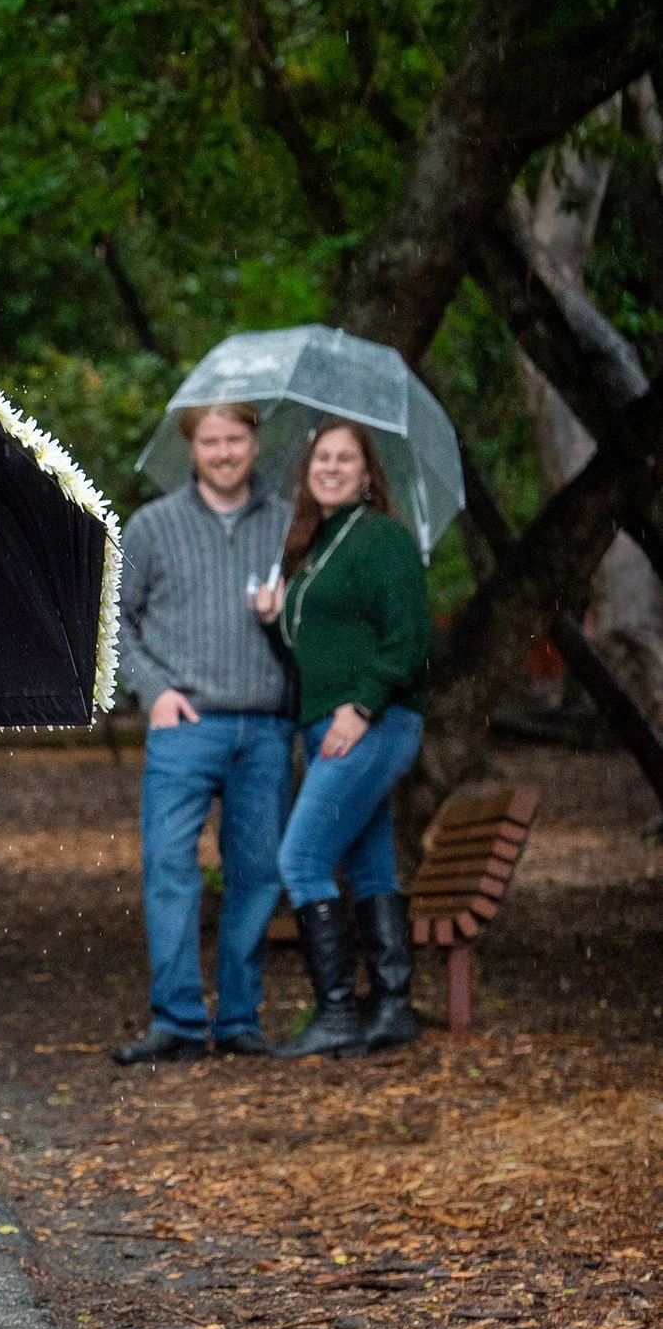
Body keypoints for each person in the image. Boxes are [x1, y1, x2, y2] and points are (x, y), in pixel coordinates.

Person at [113, 402, 296, 1063]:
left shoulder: (290, 525)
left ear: (255, 442)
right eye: (211, 441)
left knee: (258, 873)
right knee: (169, 866)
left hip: (266, 727)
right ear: (191, 448)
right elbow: (115, 619)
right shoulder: (152, 526)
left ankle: (241, 1019)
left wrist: (284, 618)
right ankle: (179, 1022)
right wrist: (154, 691)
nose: (224, 452)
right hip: (184, 725)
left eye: (235, 439)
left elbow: (318, 622)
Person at [252, 419, 432, 1058]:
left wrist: (361, 706)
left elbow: (410, 636)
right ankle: (392, 1009)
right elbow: (314, 650)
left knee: (301, 858)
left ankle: (335, 1014)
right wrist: (275, 620)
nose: (330, 467)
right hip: (330, 723)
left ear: (366, 474)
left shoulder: (381, 538)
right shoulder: (316, 546)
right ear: (308, 473)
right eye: (321, 458)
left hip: (373, 722)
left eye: (345, 459)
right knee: (369, 864)